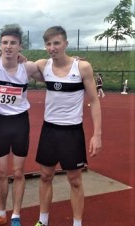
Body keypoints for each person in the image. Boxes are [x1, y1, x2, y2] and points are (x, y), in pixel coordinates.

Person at [34, 26, 102, 226]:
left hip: (72, 132)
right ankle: (43, 221)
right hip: (49, 130)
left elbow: (94, 100)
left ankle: (77, 223)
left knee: (75, 180)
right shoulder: (42, 65)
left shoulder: (82, 68)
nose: (52, 47)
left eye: (56, 43)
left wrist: (97, 134)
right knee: (45, 176)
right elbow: (16, 63)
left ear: (65, 44)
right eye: (48, 44)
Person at [0, 27, 43, 226]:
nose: (8, 46)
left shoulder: (28, 67)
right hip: (1, 123)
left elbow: (50, 64)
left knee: (18, 173)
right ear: (0, 45)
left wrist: (75, 59)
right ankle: (0, 213)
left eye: (13, 43)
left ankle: (15, 215)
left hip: (20, 122)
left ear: (20, 46)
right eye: (4, 43)